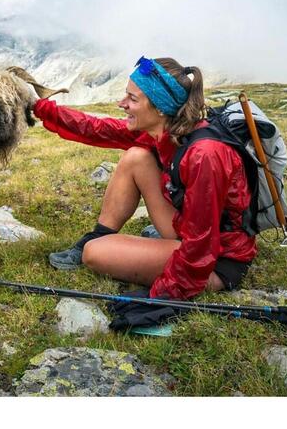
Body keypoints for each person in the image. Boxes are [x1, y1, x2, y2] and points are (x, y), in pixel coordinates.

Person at [31, 56, 256, 300]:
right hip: (189, 230)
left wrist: (162, 296)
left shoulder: (205, 155)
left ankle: (103, 245)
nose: (122, 103)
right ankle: (100, 233)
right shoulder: (166, 131)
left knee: (94, 254)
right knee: (136, 158)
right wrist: (41, 108)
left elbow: (201, 243)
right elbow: (99, 129)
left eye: (133, 98)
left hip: (217, 258)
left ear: (160, 107)